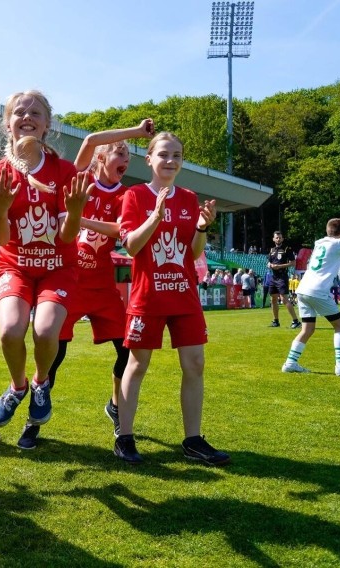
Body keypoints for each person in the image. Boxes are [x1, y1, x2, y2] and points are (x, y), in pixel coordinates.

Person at [19, 121, 154, 449]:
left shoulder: (126, 195)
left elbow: (119, 230)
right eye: (119, 153)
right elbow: (92, 139)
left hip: (103, 286)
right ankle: (33, 422)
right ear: (101, 158)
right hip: (69, 282)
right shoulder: (79, 180)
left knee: (128, 349)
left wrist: (78, 219)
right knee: (54, 355)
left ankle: (116, 406)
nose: (125, 160)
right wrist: (134, 131)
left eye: (128, 157)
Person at [113, 132, 230, 466]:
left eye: (177, 155)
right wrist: (155, 215)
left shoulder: (190, 198)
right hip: (148, 296)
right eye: (163, 154)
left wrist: (203, 229)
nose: (171, 161)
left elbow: (193, 254)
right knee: (136, 365)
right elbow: (132, 246)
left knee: (195, 364)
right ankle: (124, 437)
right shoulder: (134, 195)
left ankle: (193, 440)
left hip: (184, 294)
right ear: (148, 159)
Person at [0, 90, 87, 439]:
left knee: (44, 331)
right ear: (7, 124)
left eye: (35, 113)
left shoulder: (64, 170)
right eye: (19, 112)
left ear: (47, 125)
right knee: (10, 331)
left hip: (59, 267)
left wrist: (73, 211)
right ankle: (17, 387)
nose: (27, 117)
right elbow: (0, 238)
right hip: (15, 266)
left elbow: (68, 237)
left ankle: (41, 383)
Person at [281, 218, 340, 376]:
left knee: (307, 329)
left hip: (303, 289)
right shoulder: (338, 243)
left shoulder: (319, 242)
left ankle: (290, 363)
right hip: (318, 291)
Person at [267, 231, 301, 328]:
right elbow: (268, 262)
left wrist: (279, 266)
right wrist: (270, 265)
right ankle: (275, 321)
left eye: (280, 237)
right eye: (276, 237)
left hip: (282, 276)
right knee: (273, 299)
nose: (278, 239)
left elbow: (293, 263)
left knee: (284, 299)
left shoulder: (287, 249)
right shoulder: (272, 250)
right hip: (273, 277)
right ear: (273, 239)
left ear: (282, 239)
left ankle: (296, 321)